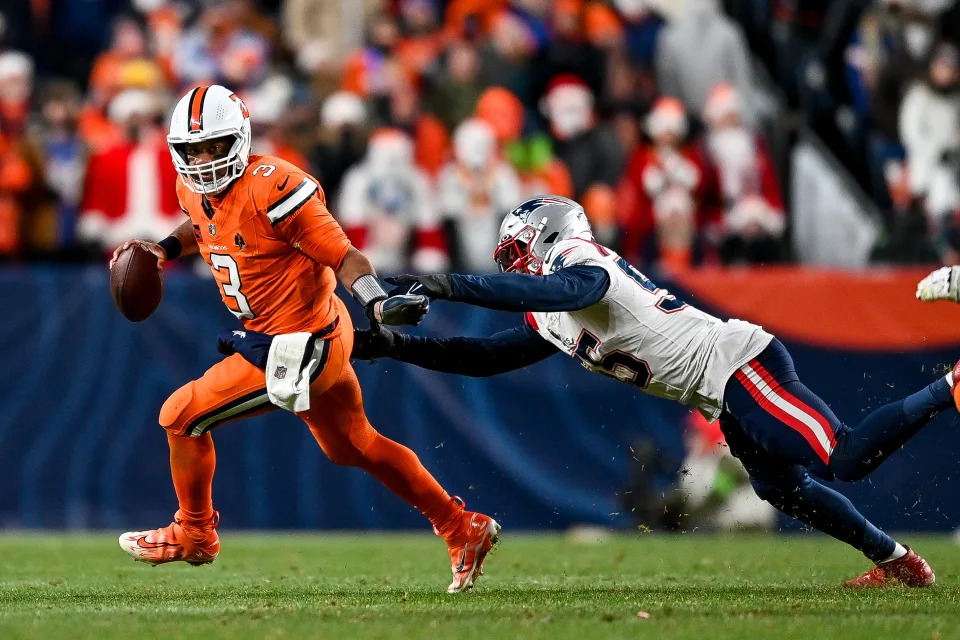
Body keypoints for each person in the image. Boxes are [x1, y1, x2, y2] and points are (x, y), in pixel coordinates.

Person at [348, 195, 955, 588]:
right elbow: (481, 358)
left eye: (515, 254)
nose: (513, 268)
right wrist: (394, 347)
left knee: (843, 458)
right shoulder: (552, 308)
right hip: (720, 392)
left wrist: (441, 283)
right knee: (781, 488)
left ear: (547, 236)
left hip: (740, 365)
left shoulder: (583, 266)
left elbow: (557, 293)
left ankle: (950, 386)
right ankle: (899, 564)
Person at [110, 85, 499, 594]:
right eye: (192, 151)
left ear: (243, 139)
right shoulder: (194, 189)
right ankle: (460, 526)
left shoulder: (276, 188)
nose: (203, 162)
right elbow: (202, 223)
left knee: (181, 416)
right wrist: (163, 249)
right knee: (354, 446)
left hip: (302, 344)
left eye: (214, 147)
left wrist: (377, 302)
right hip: (298, 335)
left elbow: (346, 257)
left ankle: (195, 533)